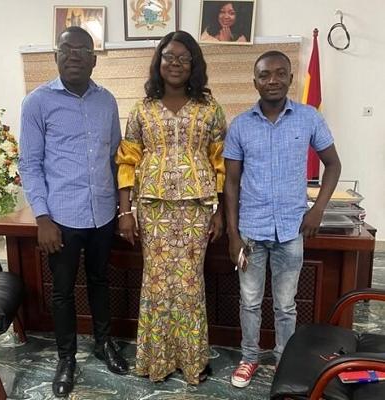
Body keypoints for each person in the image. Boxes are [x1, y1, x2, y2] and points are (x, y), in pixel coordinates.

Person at [19, 26, 129, 398]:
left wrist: (123, 208)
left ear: (94, 59)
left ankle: (103, 343)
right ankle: (66, 358)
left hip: (103, 213)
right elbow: (30, 164)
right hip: (61, 218)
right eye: (66, 49)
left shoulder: (107, 101)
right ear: (56, 56)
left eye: (82, 50)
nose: (74, 56)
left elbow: (116, 158)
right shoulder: (37, 103)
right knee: (63, 292)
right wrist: (42, 218)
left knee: (100, 281)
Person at [223, 50, 341, 388]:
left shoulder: (308, 118)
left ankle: (283, 361)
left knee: (286, 305)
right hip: (251, 232)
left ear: (291, 78)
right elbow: (231, 183)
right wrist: (233, 234)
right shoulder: (241, 125)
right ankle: (249, 358)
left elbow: (333, 164)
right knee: (250, 301)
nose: (272, 80)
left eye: (279, 73)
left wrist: (317, 209)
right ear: (255, 82)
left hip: (291, 230)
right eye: (264, 75)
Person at [115, 30, 226, 385]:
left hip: (196, 207)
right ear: (158, 61)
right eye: (169, 57)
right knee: (157, 283)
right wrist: (125, 212)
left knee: (190, 283)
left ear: (194, 64)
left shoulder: (210, 109)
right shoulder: (142, 109)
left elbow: (220, 162)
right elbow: (127, 162)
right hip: (154, 208)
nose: (175, 63)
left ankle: (192, 361)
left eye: (183, 58)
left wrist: (220, 211)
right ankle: (156, 360)